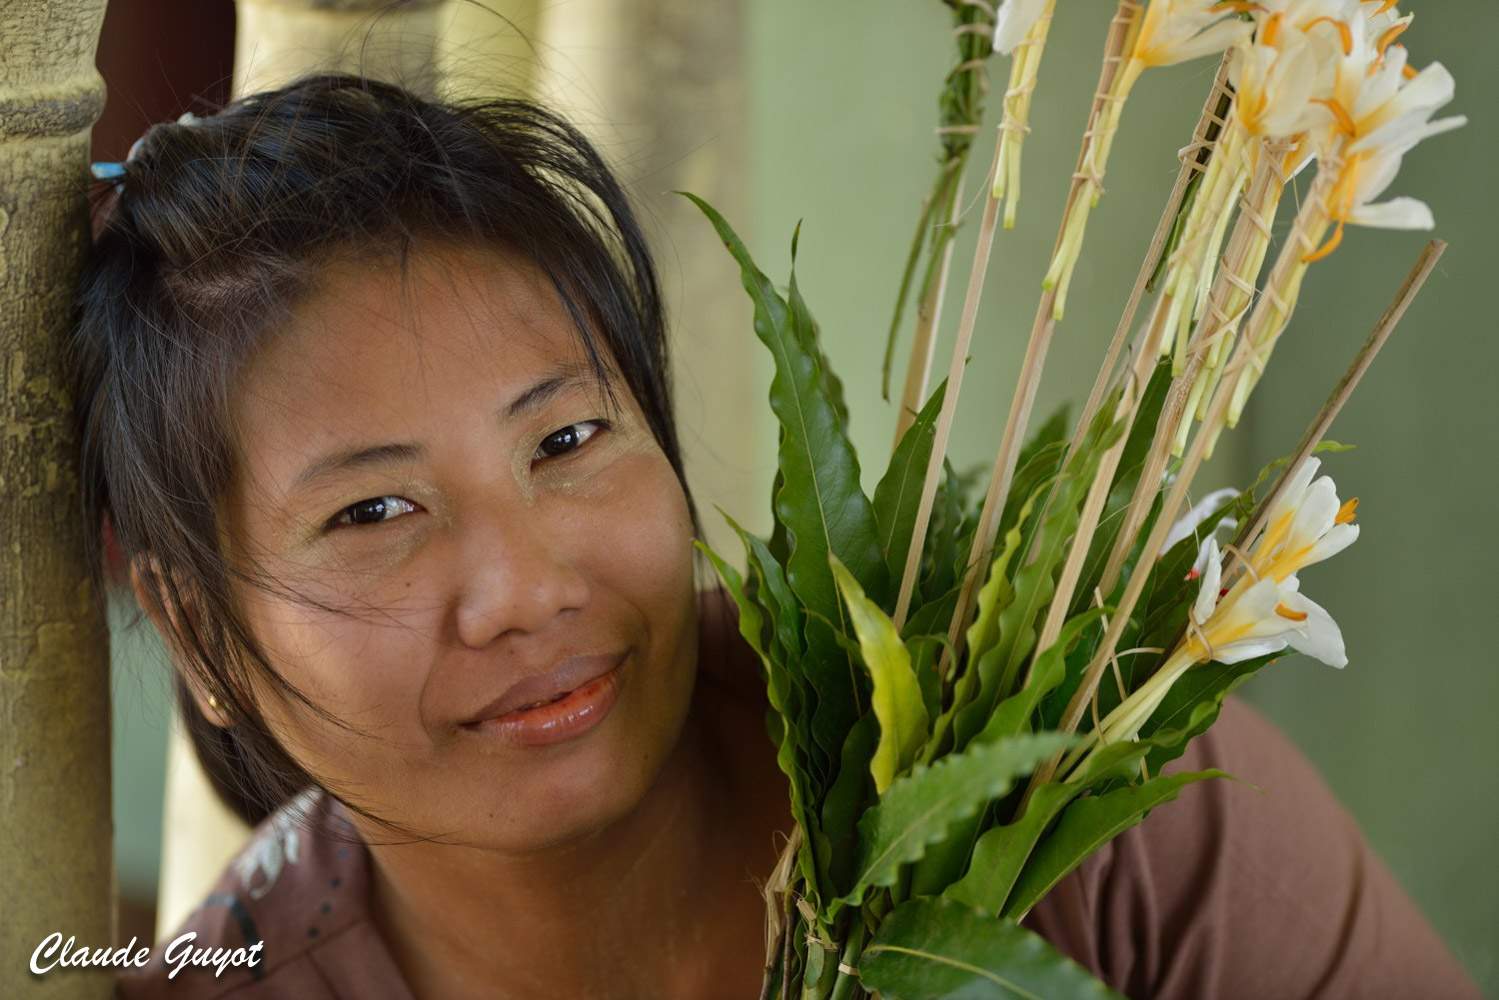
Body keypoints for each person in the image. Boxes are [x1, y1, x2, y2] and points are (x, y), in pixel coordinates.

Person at [75, 74, 1479, 999]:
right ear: (202, 632)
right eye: (374, 512)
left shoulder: (1066, 760)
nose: (524, 588)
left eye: (567, 442)